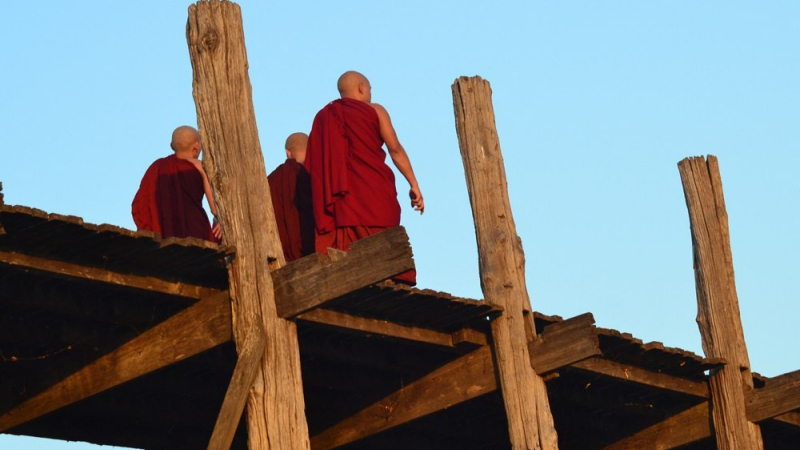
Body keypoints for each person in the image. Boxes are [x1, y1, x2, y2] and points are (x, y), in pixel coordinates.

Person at [305, 71, 423, 285]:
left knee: (346, 246)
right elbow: (395, 149)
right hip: (373, 190)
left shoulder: (323, 118)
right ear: (361, 87)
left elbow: (314, 166)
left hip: (341, 201)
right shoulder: (375, 110)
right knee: (383, 238)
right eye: (369, 88)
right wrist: (413, 183)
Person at [132, 126, 221, 242]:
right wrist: (219, 221)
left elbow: (141, 204)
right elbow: (215, 209)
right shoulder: (201, 167)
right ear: (196, 146)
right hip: (195, 230)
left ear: (171, 146)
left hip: (163, 231)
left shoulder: (158, 167)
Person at [268, 132, 315, 263]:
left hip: (280, 255)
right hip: (312, 248)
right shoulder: (314, 177)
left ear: (288, 152)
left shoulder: (272, 180)